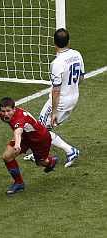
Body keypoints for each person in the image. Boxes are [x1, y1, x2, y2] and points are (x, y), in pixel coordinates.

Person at [24, 28, 84, 167]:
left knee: (39, 130)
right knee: (44, 129)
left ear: (54, 43)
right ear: (69, 41)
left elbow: (56, 91)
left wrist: (55, 112)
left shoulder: (57, 63)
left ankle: (70, 150)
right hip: (73, 97)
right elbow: (81, 78)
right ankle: (39, 153)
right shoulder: (77, 54)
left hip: (60, 100)